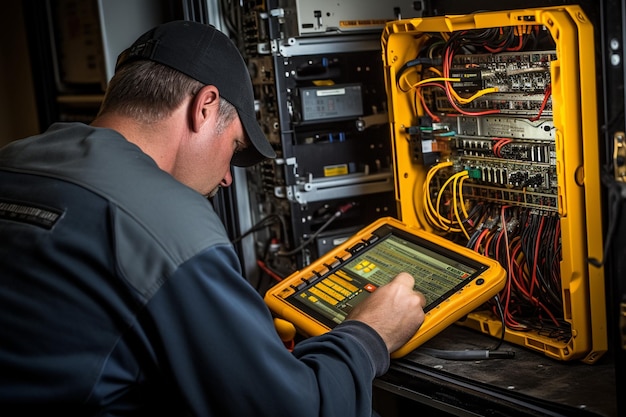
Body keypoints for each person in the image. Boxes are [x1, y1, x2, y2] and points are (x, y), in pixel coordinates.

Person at [0, 20, 426, 416]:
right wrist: (370, 335)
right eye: (235, 146)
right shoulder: (165, 216)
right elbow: (294, 410)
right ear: (205, 106)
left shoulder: (16, 160)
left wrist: (236, 344)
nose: (226, 178)